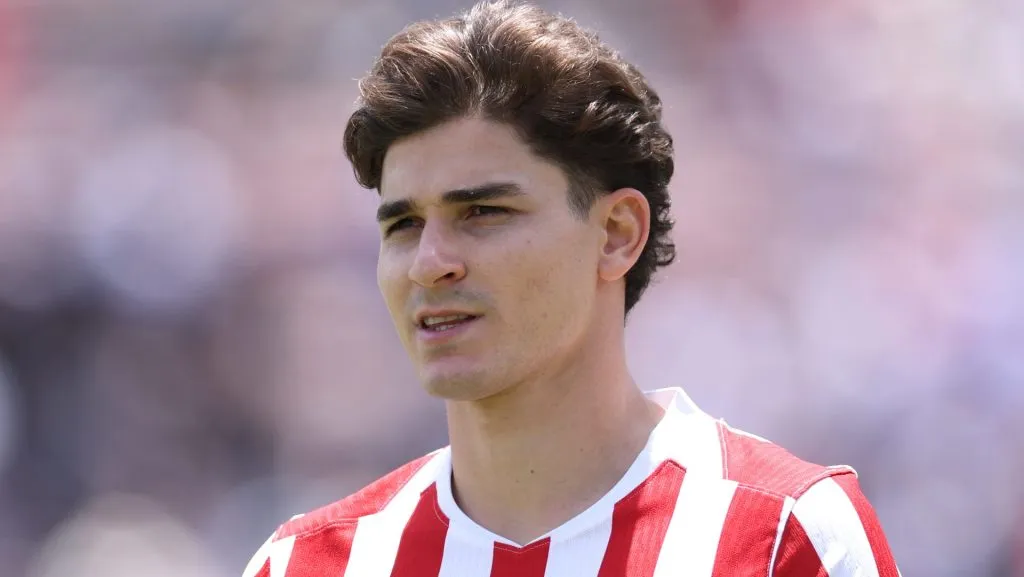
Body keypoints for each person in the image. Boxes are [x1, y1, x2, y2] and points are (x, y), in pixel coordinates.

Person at [243, 1, 901, 575]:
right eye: (405, 225)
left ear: (616, 232)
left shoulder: (784, 535)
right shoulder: (305, 563)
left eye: (482, 212)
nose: (430, 262)